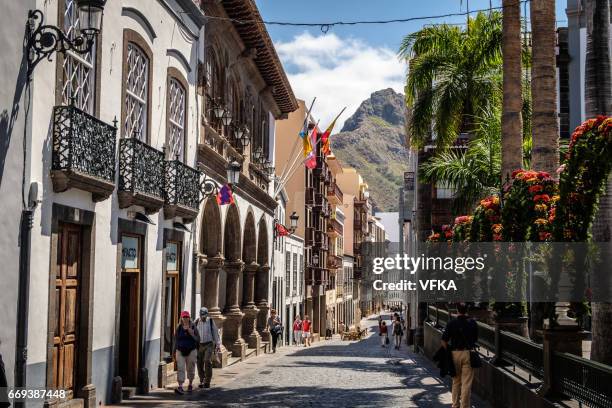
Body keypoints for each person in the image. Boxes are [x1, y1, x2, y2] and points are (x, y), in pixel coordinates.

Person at [441, 303, 478, 408]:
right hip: (468, 353)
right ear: (467, 310)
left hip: (455, 353)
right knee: (466, 383)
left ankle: (455, 405)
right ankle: (465, 406)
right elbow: (475, 339)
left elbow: (444, 341)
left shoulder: (452, 323)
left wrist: (449, 352)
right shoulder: (472, 323)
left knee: (456, 381)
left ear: (457, 310)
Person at [173, 310, 200, 394]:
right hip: (180, 350)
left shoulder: (193, 327)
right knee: (180, 368)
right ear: (181, 318)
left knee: (190, 368)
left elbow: (198, 339)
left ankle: (190, 384)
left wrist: (192, 334)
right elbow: (176, 340)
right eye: (184, 317)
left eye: (186, 317)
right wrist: (174, 351)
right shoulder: (179, 327)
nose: (185, 318)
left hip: (191, 350)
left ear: (189, 318)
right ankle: (180, 386)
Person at [194, 307, 221, 389]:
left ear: (207, 315)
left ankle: (207, 381)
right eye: (202, 315)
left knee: (207, 360)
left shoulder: (210, 321)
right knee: (199, 363)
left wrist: (218, 344)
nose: (203, 317)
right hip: (199, 345)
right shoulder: (196, 322)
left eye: (204, 315)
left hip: (209, 344)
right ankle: (202, 379)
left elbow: (216, 333)